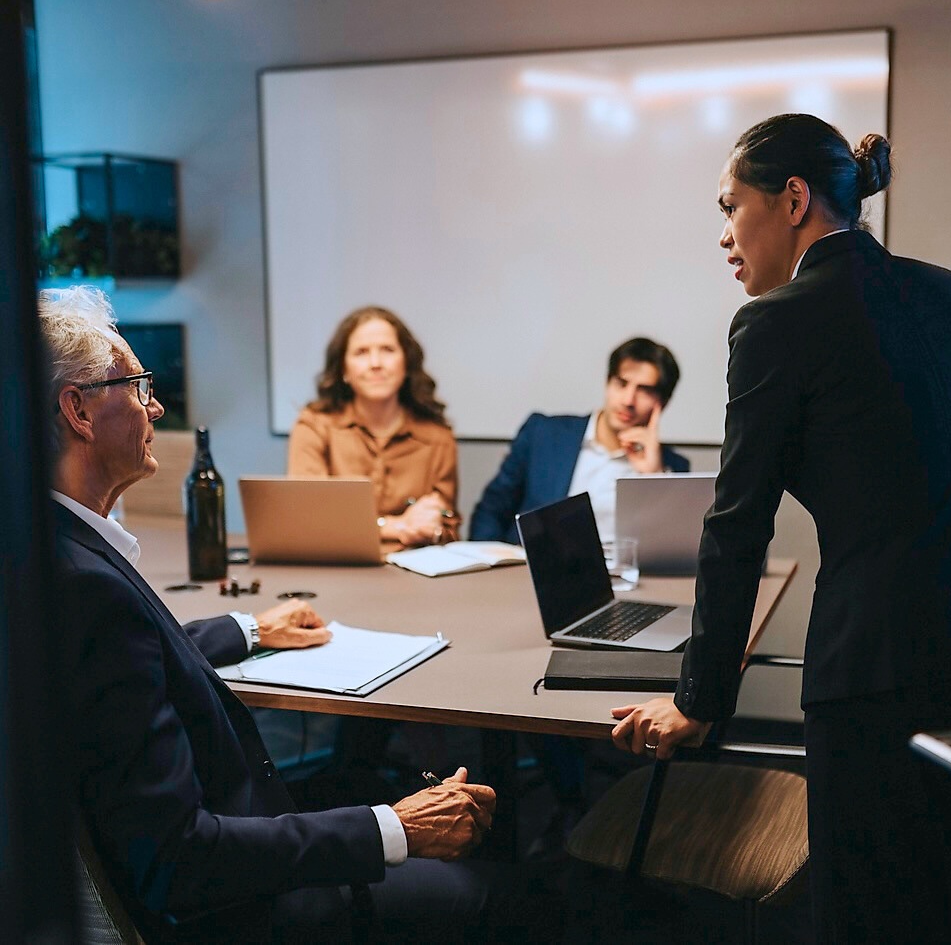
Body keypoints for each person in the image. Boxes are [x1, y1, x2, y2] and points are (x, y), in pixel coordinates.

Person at [43, 286, 527, 943]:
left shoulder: (61, 551)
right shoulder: (88, 588)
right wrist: (395, 826)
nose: (155, 404)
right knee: (504, 890)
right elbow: (177, 859)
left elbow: (143, 650)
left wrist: (249, 626)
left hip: (244, 823)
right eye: (137, 385)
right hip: (242, 905)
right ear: (77, 409)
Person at [610, 114, 951, 942]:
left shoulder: (775, 321)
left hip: (864, 675)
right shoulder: (949, 291)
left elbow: (735, 526)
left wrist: (697, 701)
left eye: (731, 207)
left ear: (793, 199)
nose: (724, 236)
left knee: (862, 912)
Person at [469, 337, 688, 545]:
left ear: (663, 403)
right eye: (621, 384)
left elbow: (673, 551)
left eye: (644, 391)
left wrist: (654, 477)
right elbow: (491, 510)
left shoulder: (671, 467)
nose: (628, 400)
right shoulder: (544, 434)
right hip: (535, 572)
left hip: (623, 579)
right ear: (607, 383)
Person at [289, 305, 459, 550]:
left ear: (406, 363)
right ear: (344, 369)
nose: (376, 363)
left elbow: (447, 526)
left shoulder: (438, 437)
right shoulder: (314, 426)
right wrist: (395, 526)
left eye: (387, 350)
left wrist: (434, 527)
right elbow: (307, 517)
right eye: (361, 352)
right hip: (336, 566)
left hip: (414, 572)